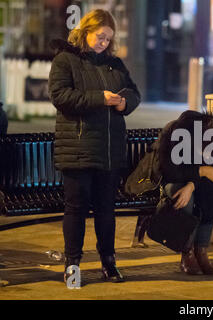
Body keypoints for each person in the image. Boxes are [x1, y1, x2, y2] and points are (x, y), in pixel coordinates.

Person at [48, 9, 141, 285]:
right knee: (75, 209)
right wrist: (99, 98)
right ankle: (72, 265)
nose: (103, 42)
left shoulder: (114, 64)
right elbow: (60, 96)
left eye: (108, 39)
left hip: (109, 150)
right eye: (100, 36)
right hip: (77, 147)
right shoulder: (65, 60)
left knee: (106, 210)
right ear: (86, 30)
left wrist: (125, 103)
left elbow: (134, 93)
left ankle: (109, 263)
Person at [158, 110, 213, 275]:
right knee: (185, 199)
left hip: (191, 181)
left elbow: (208, 169)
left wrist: (192, 183)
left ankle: (201, 251)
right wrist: (201, 172)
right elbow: (171, 172)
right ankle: (187, 252)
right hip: (167, 181)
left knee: (210, 192)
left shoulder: (205, 136)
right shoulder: (175, 133)